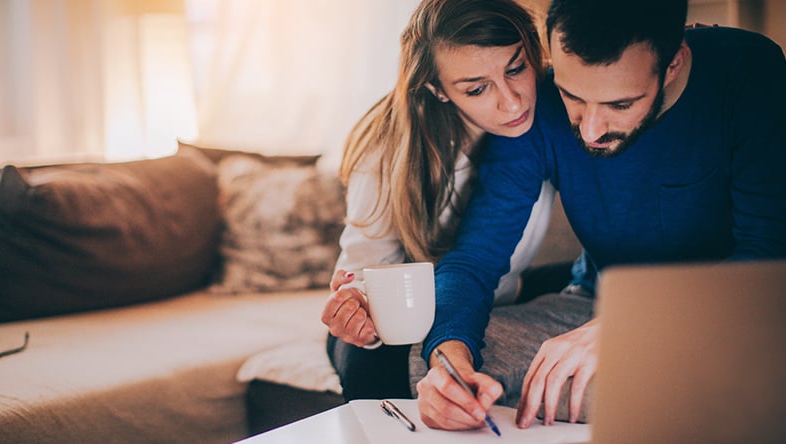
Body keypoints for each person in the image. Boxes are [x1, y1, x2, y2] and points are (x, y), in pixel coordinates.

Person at [416, 0, 786, 431]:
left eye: (620, 104)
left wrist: (633, 327)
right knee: (437, 368)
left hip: (734, 312)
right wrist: (449, 359)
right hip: (594, 304)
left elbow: (768, 257)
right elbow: (475, 257)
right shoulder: (537, 104)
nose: (590, 130)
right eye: (571, 95)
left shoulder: (746, 70)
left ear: (673, 64)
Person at [320, 0, 560, 401]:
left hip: (503, 291)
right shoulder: (390, 147)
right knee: (376, 367)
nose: (513, 101)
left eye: (516, 68)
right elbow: (365, 270)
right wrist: (356, 311)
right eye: (477, 88)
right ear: (438, 90)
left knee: (614, 289)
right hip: (403, 318)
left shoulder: (559, 109)